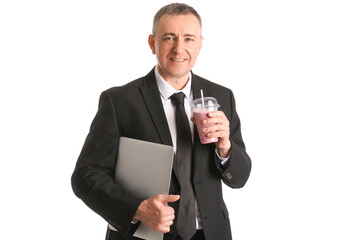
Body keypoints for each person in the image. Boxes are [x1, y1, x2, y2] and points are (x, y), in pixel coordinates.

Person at [71, 3, 251, 240]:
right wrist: (137, 209)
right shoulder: (119, 101)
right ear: (152, 43)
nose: (179, 48)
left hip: (210, 233)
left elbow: (239, 178)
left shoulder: (221, 96)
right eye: (169, 37)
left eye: (188, 38)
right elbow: (86, 176)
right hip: (145, 234)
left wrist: (225, 147)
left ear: (199, 44)